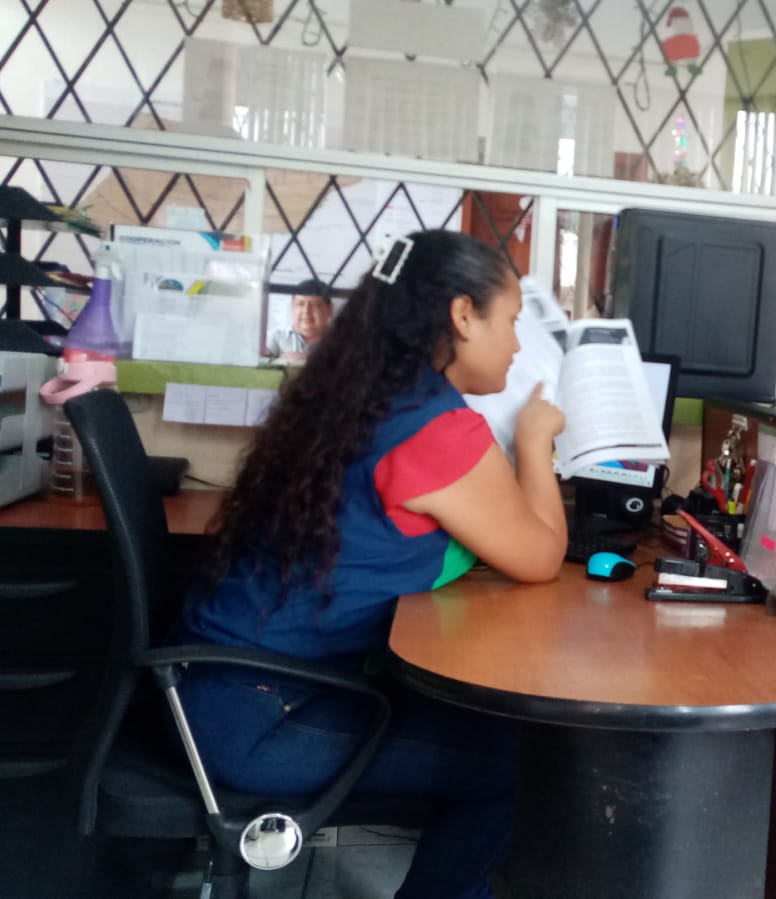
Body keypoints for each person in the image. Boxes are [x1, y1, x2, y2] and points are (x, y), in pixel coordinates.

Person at [175, 231, 568, 899]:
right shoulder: (435, 426)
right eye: (509, 320)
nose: (516, 344)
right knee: (525, 767)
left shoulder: (360, 396)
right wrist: (535, 442)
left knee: (490, 732)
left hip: (212, 690)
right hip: (266, 716)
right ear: (462, 315)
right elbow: (541, 556)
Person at [266, 279, 335, 362]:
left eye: (314, 305)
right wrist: (281, 360)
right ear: (292, 307)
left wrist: (310, 359)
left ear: (329, 309)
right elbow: (259, 366)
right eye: (300, 304)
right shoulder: (275, 337)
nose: (306, 311)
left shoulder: (341, 341)